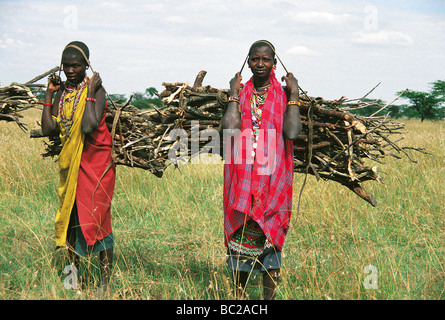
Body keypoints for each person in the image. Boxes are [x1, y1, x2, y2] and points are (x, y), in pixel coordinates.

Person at [221, 40, 302, 300]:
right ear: (248, 62)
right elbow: (230, 130)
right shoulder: (241, 93)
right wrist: (233, 92)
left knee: (271, 243)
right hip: (243, 179)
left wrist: (295, 96)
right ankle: (239, 299)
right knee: (240, 243)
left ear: (274, 64)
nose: (260, 64)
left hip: (273, 181)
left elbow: (291, 132)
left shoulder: (282, 94)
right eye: (255, 59)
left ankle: (268, 300)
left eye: (265, 60)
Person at [41, 41, 116, 297]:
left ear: (87, 65)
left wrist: (92, 91)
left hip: (96, 164)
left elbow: (88, 126)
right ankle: (74, 277)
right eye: (66, 66)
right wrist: (50, 95)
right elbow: (48, 129)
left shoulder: (97, 90)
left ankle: (103, 282)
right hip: (70, 163)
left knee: (97, 218)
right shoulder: (62, 93)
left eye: (76, 65)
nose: (71, 70)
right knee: (72, 220)